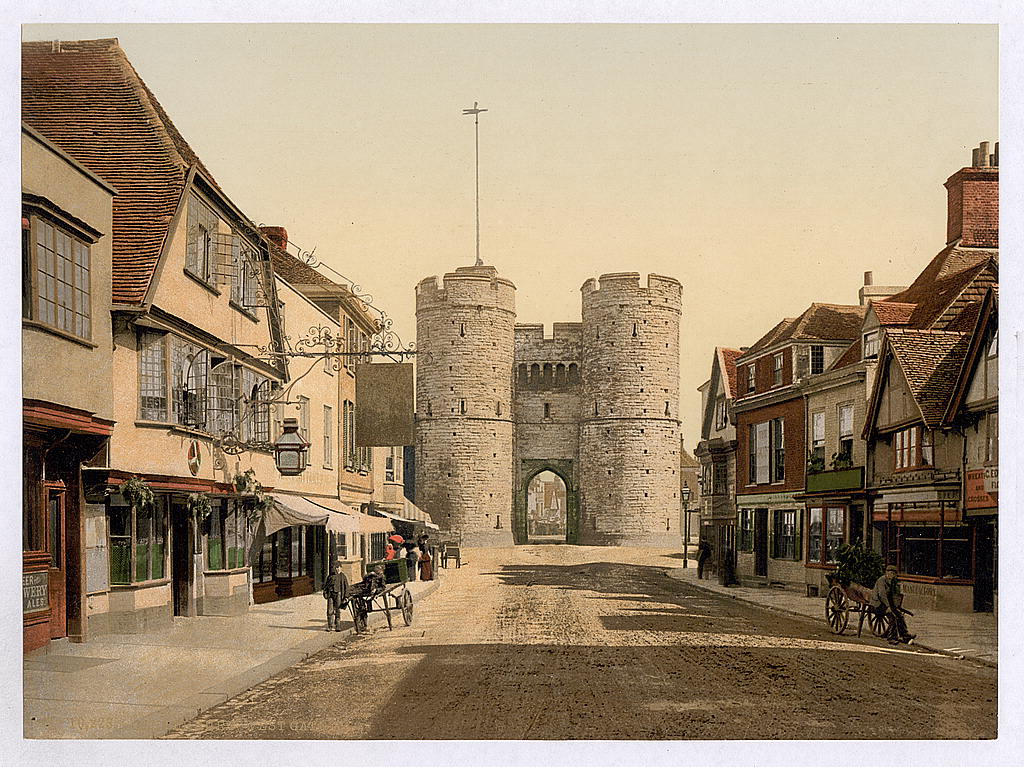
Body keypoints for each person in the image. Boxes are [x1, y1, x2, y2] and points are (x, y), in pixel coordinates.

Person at [870, 564, 916, 644]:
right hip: (878, 604)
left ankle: (905, 635)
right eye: (891, 573)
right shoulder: (881, 580)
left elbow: (893, 594)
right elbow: (882, 595)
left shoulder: (891, 581)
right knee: (892, 616)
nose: (892, 575)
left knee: (900, 615)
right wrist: (888, 606)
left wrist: (895, 606)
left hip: (886, 604)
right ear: (886, 573)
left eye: (894, 573)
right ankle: (891, 638)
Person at [322, 563, 350, 632]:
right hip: (330, 595)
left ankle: (338, 626)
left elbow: (346, 587)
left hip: (338, 595)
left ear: (341, 568)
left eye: (339, 567)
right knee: (330, 610)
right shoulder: (330, 576)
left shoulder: (343, 576)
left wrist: (346, 596)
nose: (337, 569)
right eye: (336, 568)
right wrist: (325, 593)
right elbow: (326, 586)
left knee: (337, 610)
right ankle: (330, 626)